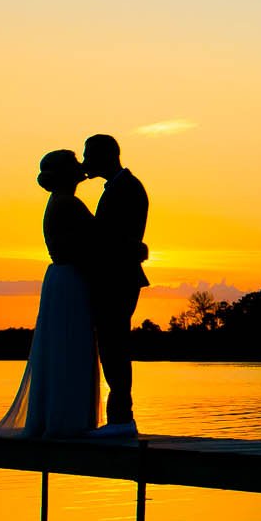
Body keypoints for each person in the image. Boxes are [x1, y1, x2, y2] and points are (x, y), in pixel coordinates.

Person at [0, 149, 101, 436]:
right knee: (70, 344)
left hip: (61, 279)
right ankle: (68, 421)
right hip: (70, 281)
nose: (82, 166)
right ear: (67, 173)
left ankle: (60, 416)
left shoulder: (59, 202)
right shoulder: (68, 204)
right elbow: (98, 240)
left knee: (63, 346)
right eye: (75, 163)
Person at [82, 133, 150, 436]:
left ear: (107, 155)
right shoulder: (121, 187)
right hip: (116, 277)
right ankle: (119, 418)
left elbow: (115, 238)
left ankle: (122, 418)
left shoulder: (127, 188)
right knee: (112, 346)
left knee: (115, 346)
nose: (85, 162)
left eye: (89, 155)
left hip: (118, 279)